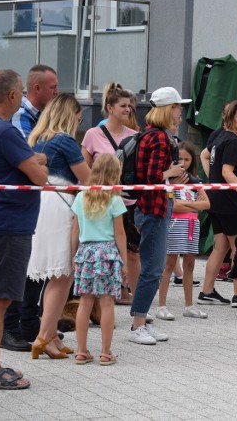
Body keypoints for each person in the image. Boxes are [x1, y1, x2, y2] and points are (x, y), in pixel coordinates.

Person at [0, 69, 48, 389]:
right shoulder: (3, 131)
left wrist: (33, 160)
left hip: (3, 222)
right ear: (14, 95)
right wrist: (37, 161)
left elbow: (31, 164)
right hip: (8, 226)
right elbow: (40, 176)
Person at [27, 93, 90, 360]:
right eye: (78, 115)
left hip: (43, 204)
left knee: (59, 274)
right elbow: (87, 178)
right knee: (62, 274)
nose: (80, 119)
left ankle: (50, 335)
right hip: (60, 204)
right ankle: (43, 336)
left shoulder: (37, 139)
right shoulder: (64, 140)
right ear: (69, 114)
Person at [2, 64, 59, 352]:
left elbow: (41, 157)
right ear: (35, 89)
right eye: (52, 87)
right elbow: (29, 158)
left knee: (33, 266)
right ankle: (9, 329)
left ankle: (27, 322)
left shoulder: (38, 117)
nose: (56, 91)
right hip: (14, 203)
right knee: (19, 268)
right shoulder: (20, 117)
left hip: (32, 202)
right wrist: (43, 158)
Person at [128, 87, 189, 345]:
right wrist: (172, 171)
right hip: (153, 208)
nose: (180, 111)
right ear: (168, 110)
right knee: (152, 269)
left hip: (150, 207)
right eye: (177, 107)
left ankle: (141, 321)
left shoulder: (150, 134)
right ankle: (138, 324)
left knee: (152, 268)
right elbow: (152, 178)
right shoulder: (161, 139)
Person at [82, 83, 141, 307]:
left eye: (130, 106)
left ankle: (137, 301)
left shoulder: (135, 136)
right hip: (101, 203)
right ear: (110, 107)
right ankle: (100, 300)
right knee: (102, 250)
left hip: (128, 202)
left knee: (133, 252)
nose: (127, 109)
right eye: (123, 105)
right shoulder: (92, 134)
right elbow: (85, 169)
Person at [71, 154, 127, 366]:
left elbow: (75, 229)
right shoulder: (114, 199)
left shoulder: (81, 196)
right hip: (107, 252)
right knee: (106, 303)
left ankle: (81, 350)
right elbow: (120, 233)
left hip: (86, 252)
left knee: (84, 303)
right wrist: (124, 261)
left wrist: (73, 255)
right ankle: (105, 352)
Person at [198, 100, 237, 307]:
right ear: (229, 118)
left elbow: (204, 155)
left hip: (214, 198)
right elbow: (226, 171)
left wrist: (212, 180)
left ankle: (206, 291)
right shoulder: (233, 142)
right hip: (230, 201)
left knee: (220, 246)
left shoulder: (217, 135)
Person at [156, 142, 211, 320]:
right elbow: (172, 206)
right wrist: (193, 206)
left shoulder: (195, 181)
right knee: (169, 264)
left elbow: (206, 204)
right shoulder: (169, 182)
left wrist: (188, 206)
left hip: (192, 226)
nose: (183, 162)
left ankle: (189, 305)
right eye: (180, 159)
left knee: (190, 265)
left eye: (187, 159)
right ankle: (161, 305)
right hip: (174, 226)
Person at [11, 64, 59, 140]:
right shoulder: (20, 114)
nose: (56, 92)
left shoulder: (45, 113)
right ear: (37, 88)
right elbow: (28, 149)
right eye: (52, 87)